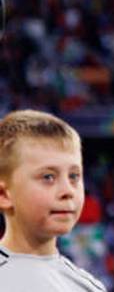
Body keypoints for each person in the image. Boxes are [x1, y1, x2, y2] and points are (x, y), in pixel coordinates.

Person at [0, 109, 106, 291]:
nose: (67, 190)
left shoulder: (89, 287)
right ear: (4, 195)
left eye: (74, 176)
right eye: (48, 177)